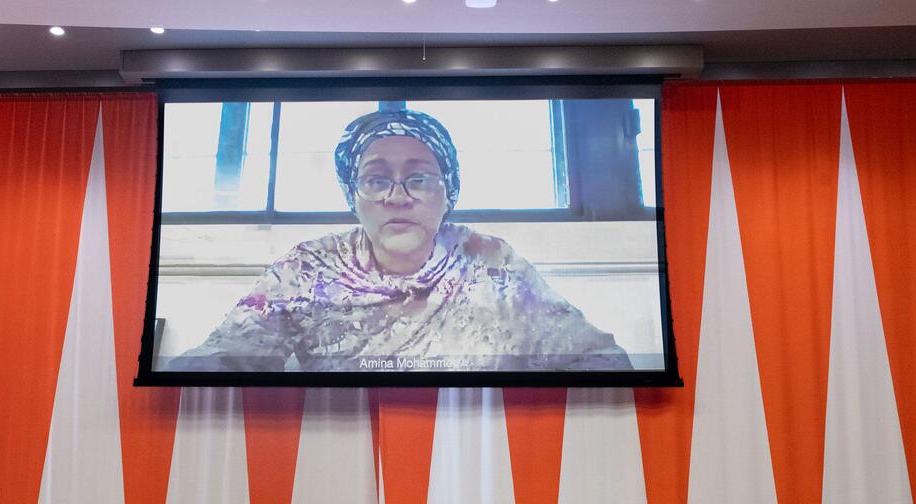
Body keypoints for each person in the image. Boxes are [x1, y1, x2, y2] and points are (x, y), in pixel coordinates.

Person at [168, 108, 631, 372]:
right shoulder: (309, 269)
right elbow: (220, 359)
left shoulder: (491, 262)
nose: (397, 197)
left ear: (448, 195)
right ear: (353, 198)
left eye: (419, 179)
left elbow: (601, 359)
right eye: (376, 180)